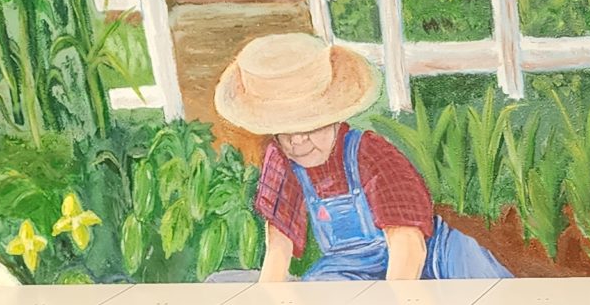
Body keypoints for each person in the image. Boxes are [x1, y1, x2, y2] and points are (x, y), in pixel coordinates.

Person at [211, 32, 509, 283]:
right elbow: (278, 245)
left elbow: (407, 245)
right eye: (284, 131)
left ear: (333, 117)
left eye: (309, 126)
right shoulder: (281, 159)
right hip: (351, 268)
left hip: (434, 258)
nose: (297, 141)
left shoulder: (371, 154)